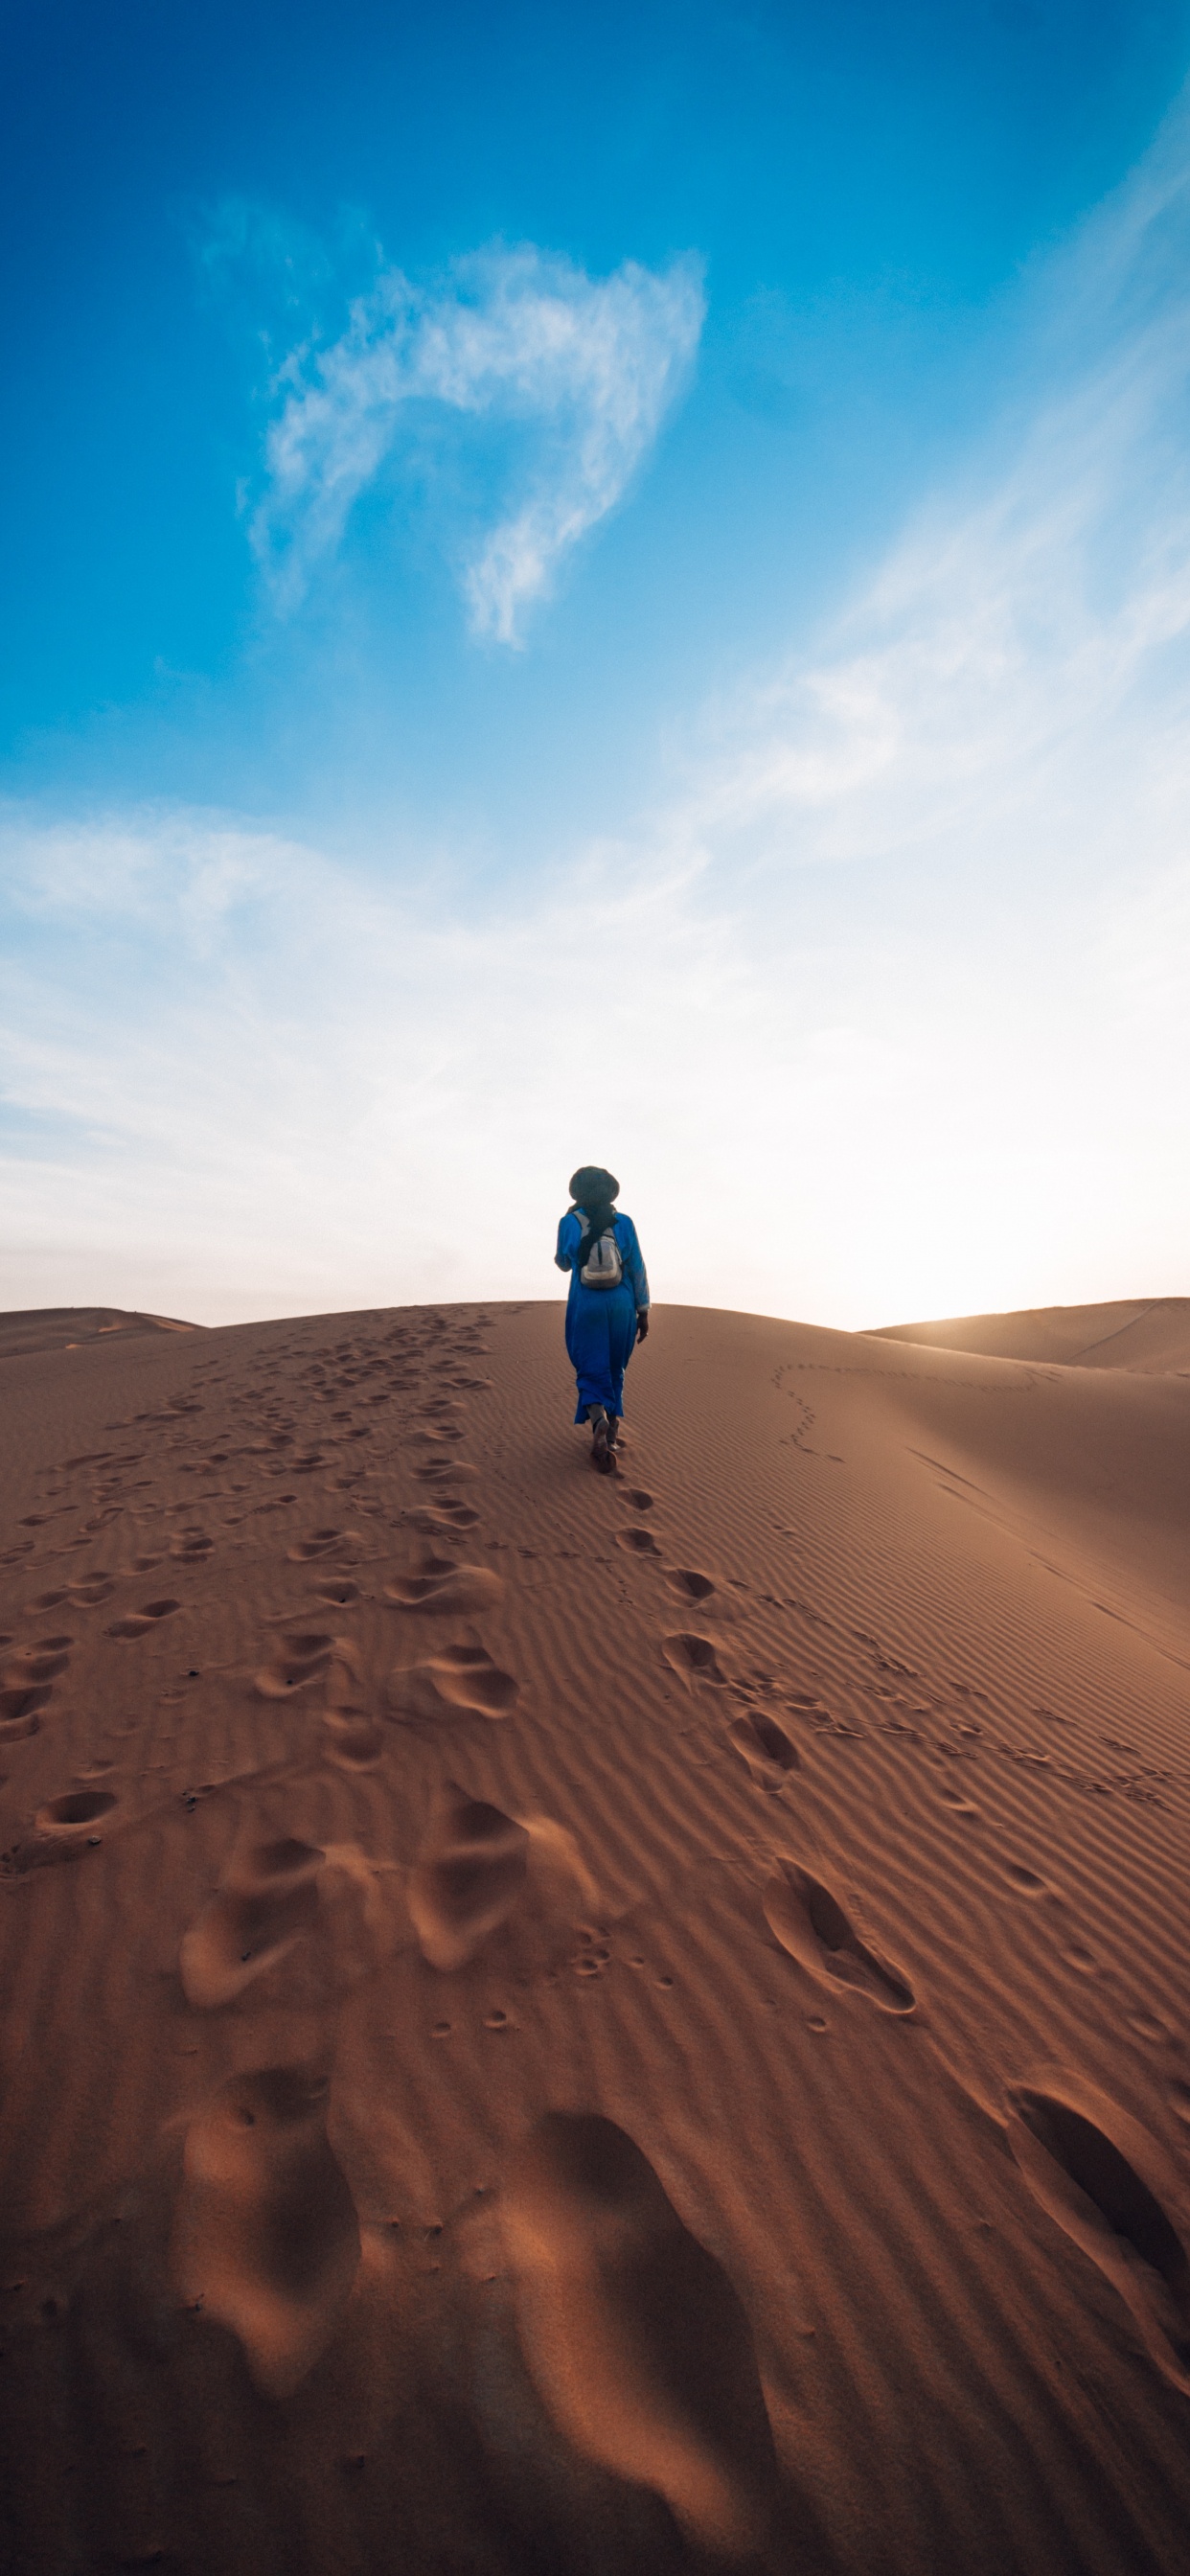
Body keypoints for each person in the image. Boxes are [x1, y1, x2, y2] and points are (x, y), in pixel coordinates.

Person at [554, 1165, 650, 1472]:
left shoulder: (569, 1221)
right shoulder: (624, 1222)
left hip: (587, 1303)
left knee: (590, 1364)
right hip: (622, 1303)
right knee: (614, 1367)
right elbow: (637, 1267)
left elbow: (564, 1263)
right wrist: (643, 1310)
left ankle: (599, 1419)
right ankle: (612, 1434)